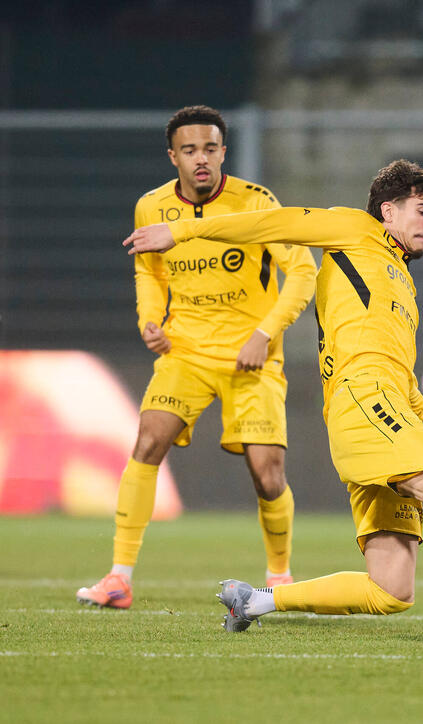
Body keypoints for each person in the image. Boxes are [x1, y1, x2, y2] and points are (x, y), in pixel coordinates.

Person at [124, 159, 423, 639]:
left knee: (390, 591)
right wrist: (182, 232)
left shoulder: (403, 282)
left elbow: (396, 362)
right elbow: (276, 222)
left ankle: (257, 600)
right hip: (364, 400)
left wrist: (416, 413)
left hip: (372, 413)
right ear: (387, 211)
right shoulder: (355, 228)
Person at [76, 106, 317, 609]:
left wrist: (264, 333)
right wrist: (150, 319)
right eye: (189, 150)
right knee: (147, 440)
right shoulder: (151, 206)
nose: (200, 159)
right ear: (173, 157)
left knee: (267, 473)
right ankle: (119, 577)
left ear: (223, 152)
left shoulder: (256, 202)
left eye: (210, 148)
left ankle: (281, 576)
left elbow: (303, 273)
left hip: (252, 357)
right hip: (185, 351)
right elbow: (150, 270)